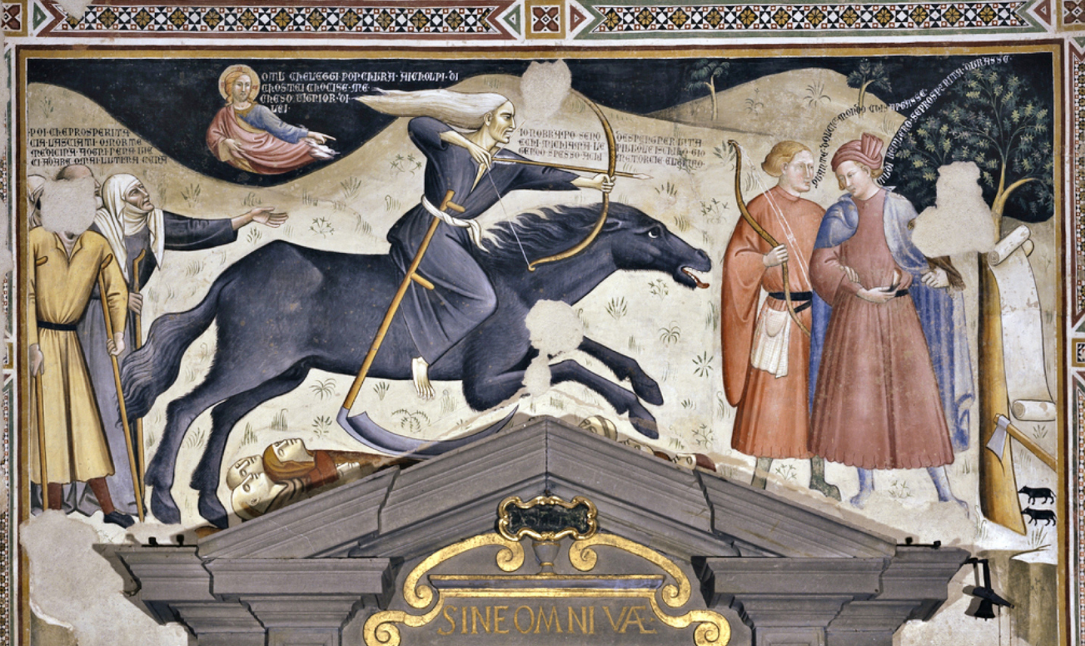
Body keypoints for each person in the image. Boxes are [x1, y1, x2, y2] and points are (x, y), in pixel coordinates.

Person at [358, 88, 613, 398]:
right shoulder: (449, 148)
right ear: (488, 118)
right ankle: (423, 357)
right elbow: (419, 124)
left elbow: (546, 174)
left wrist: (592, 182)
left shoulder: (507, 163)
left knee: (490, 290)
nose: (511, 125)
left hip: (457, 236)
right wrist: (467, 144)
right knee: (483, 300)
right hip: (427, 231)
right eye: (506, 117)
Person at [75, 171, 287, 517]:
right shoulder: (95, 230)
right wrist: (113, 295)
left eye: (142, 188)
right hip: (93, 323)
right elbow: (71, 278)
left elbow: (194, 231)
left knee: (121, 401)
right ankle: (102, 494)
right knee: (102, 400)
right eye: (134, 193)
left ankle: (117, 495)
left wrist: (248, 218)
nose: (144, 195)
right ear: (117, 201)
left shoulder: (153, 223)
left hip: (125, 321)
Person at [808, 133, 971, 510]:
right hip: (856, 315)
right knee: (860, 399)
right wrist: (856, 288)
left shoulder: (898, 208)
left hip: (898, 316)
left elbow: (924, 253)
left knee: (918, 399)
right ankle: (866, 487)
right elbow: (821, 264)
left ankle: (944, 492)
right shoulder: (840, 213)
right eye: (840, 177)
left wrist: (935, 274)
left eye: (850, 174)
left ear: (869, 170)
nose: (845, 183)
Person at [721, 141, 838, 499]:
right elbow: (735, 261)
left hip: (815, 317)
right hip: (779, 315)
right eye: (801, 166)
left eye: (812, 167)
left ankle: (817, 476)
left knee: (815, 396)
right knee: (770, 398)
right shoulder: (760, 207)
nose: (809, 173)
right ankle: (760, 478)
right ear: (783, 167)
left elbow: (835, 259)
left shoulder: (819, 213)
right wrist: (764, 262)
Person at [29, 176, 133, 527]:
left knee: (86, 427)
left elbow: (116, 289)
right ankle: (54, 513)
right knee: (51, 429)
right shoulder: (36, 240)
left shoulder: (96, 244)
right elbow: (26, 294)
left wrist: (117, 332)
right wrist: (32, 345)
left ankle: (109, 510)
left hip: (70, 345)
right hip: (43, 343)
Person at [206, 64, 336, 175]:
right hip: (241, 158)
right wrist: (225, 142)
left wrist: (310, 134)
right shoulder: (224, 113)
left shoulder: (260, 111)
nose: (244, 89)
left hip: (270, 151)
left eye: (247, 85)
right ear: (229, 87)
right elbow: (213, 135)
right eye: (239, 85)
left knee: (307, 148)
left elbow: (282, 129)